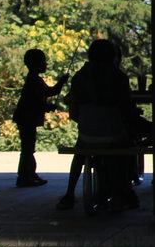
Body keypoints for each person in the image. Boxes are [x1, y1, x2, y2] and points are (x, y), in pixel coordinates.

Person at [65, 39, 138, 212]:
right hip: (113, 134)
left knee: (82, 147)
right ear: (113, 56)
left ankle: (70, 193)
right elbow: (126, 111)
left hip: (87, 134)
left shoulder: (79, 77)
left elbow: (74, 114)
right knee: (128, 146)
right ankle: (123, 191)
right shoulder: (119, 77)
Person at [13, 48, 69, 187]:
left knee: (28, 148)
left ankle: (28, 174)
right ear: (36, 63)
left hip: (25, 118)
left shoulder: (34, 79)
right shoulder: (34, 80)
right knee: (27, 149)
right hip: (27, 118)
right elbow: (38, 101)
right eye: (43, 61)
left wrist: (61, 83)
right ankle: (25, 176)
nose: (46, 64)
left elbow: (48, 92)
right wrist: (61, 83)